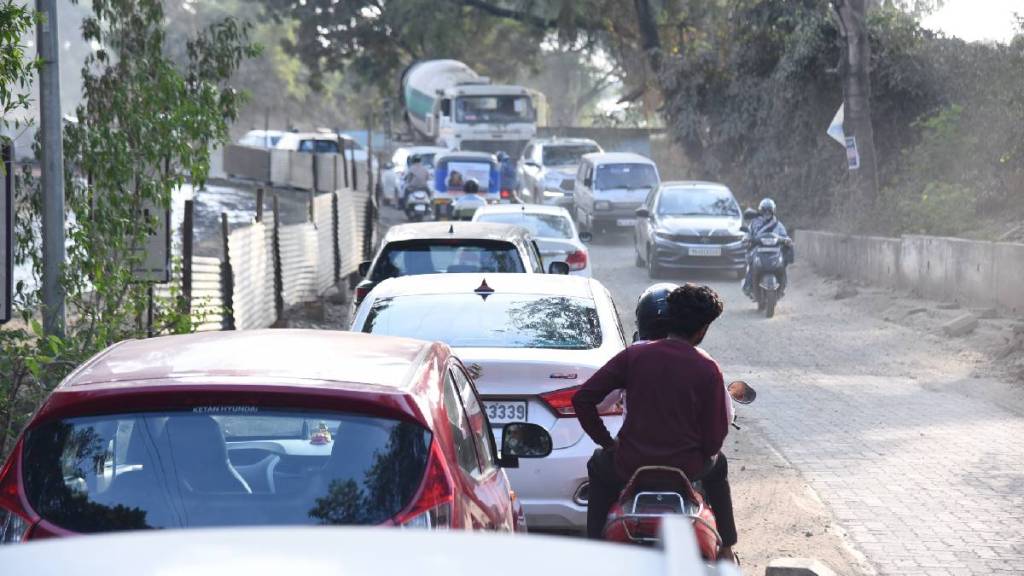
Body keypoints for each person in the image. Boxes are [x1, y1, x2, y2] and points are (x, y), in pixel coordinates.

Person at [572, 283, 739, 562]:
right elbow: (714, 439)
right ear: (702, 330)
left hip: (629, 465)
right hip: (688, 468)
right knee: (718, 465)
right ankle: (726, 547)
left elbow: (583, 400)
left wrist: (607, 443)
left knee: (598, 465)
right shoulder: (708, 368)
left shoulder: (634, 356)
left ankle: (594, 551)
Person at [742, 198, 792, 297]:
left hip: (774, 251)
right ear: (761, 211)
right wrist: (746, 238)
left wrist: (786, 240)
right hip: (758, 250)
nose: (767, 213)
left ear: (773, 211)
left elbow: (785, 236)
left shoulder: (778, 224)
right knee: (751, 264)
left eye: (769, 210)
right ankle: (748, 286)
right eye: (765, 210)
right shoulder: (754, 223)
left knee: (783, 264)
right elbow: (748, 233)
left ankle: (782, 286)